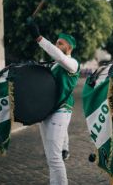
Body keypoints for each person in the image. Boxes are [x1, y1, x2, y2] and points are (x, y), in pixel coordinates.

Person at [27, 18, 80, 185]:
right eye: (56, 43)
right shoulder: (54, 65)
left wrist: (39, 38)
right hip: (47, 111)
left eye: (61, 43)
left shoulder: (72, 63)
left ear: (69, 48)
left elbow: (59, 57)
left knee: (56, 157)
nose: (57, 46)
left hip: (61, 111)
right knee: (51, 157)